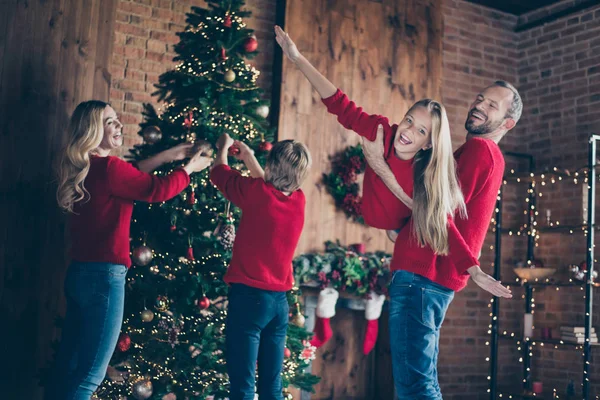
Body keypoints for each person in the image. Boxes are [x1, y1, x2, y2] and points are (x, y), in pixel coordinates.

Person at [362, 81, 521, 398]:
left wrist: (380, 167)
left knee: (414, 386)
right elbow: (440, 213)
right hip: (428, 277)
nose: (479, 105)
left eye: (492, 105)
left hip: (422, 276)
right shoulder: (480, 154)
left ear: (508, 123)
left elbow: (436, 209)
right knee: (421, 382)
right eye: (480, 97)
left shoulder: (480, 150)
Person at [50, 100, 212, 400]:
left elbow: (132, 172)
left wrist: (169, 155)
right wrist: (189, 169)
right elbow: (154, 190)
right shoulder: (109, 168)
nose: (119, 125)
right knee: (88, 377)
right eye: (110, 121)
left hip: (79, 276)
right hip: (104, 279)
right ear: (93, 130)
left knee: (68, 368)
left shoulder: (88, 168)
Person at [210, 134, 311, 400]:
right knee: (272, 387)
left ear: (270, 167)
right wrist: (249, 157)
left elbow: (219, 173)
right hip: (279, 305)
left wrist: (222, 148)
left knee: (242, 387)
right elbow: (269, 186)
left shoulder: (255, 193)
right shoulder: (299, 201)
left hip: (249, 300)